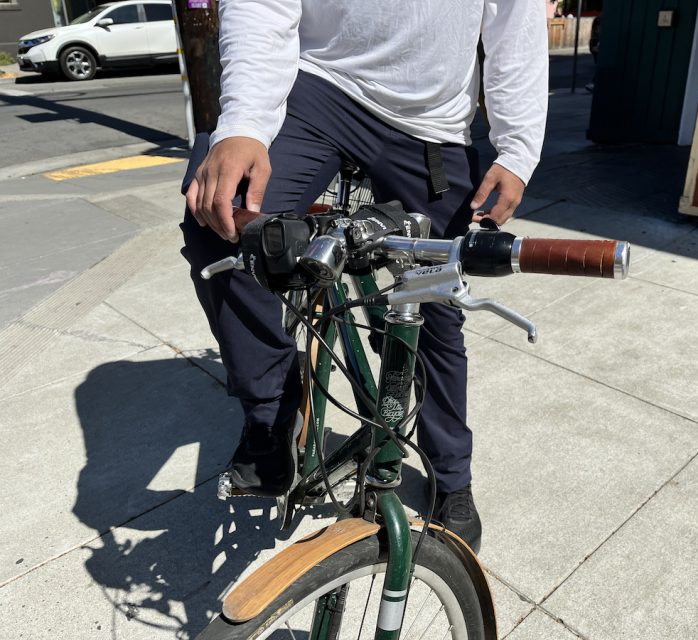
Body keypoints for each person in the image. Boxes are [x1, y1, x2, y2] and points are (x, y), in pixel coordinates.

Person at [181, 0, 548, 552]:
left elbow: (514, 24)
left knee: (435, 308)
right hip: (320, 86)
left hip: (431, 120)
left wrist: (518, 150)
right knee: (222, 222)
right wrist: (243, 125)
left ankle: (451, 474)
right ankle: (274, 409)